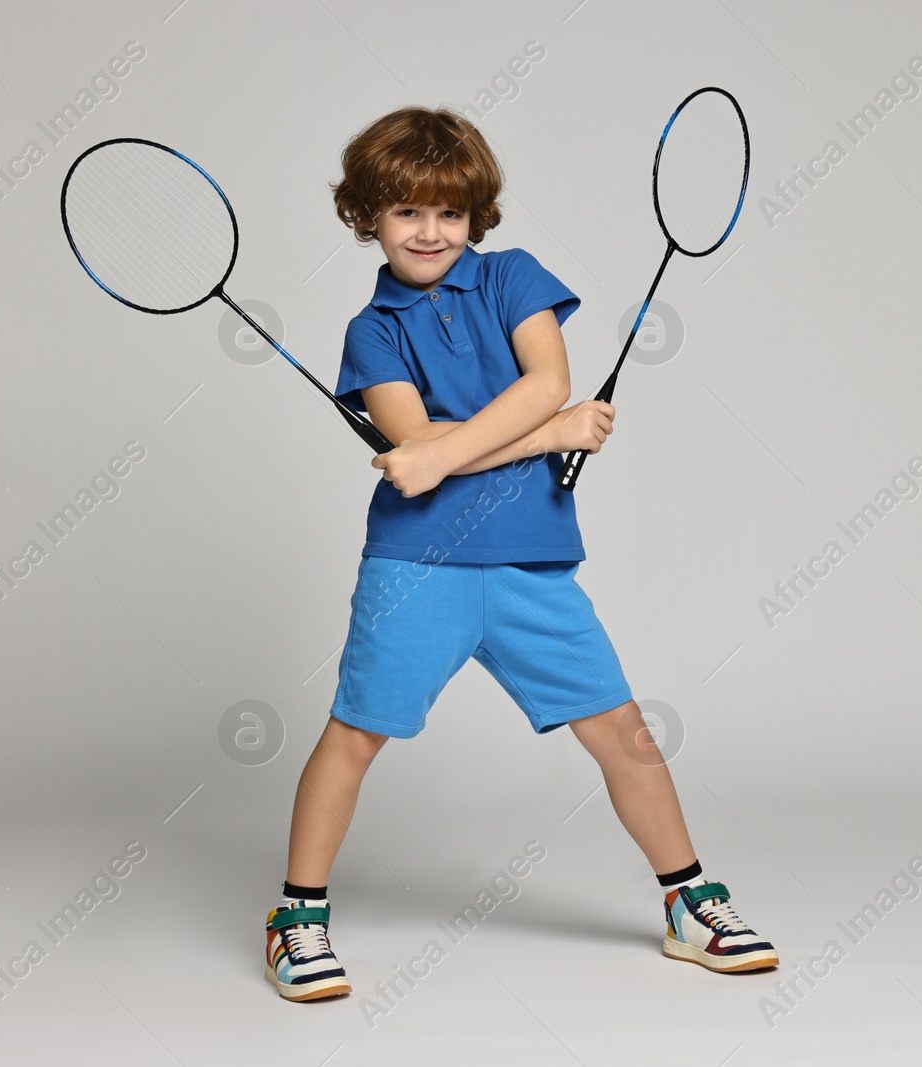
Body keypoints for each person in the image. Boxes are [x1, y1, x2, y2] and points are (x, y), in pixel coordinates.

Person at [264, 106, 777, 1002]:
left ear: (475, 217)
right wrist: (544, 437)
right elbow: (428, 449)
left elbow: (549, 383)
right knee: (353, 736)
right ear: (366, 217)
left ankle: (691, 902)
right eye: (406, 212)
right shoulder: (371, 333)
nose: (430, 232)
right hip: (415, 569)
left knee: (625, 734)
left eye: (449, 213)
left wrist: (454, 447)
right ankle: (296, 919)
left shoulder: (513, 279)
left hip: (531, 566)